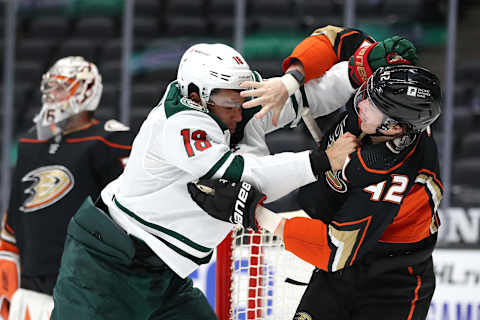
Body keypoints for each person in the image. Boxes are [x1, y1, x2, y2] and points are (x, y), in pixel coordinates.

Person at [48, 36, 392, 319]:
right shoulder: (178, 125)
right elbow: (245, 179)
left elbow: (305, 99)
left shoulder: (231, 104)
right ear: (196, 96)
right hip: (104, 267)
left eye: (242, 97)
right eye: (229, 100)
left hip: (164, 275)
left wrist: (357, 71)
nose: (239, 109)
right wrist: (322, 162)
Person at [188, 64, 443, 320]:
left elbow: (335, 250)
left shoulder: (393, 178)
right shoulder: (387, 120)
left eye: (374, 105)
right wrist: (290, 81)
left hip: (393, 284)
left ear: (394, 128)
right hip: (339, 274)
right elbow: (337, 40)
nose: (361, 103)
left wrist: (255, 213)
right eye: (368, 93)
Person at [0, 56, 134, 319]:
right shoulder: (30, 143)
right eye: (51, 87)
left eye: (61, 87)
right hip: (31, 287)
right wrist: (6, 278)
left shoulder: (111, 140)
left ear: (86, 91)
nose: (52, 94)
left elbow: (132, 214)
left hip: (87, 287)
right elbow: (13, 219)